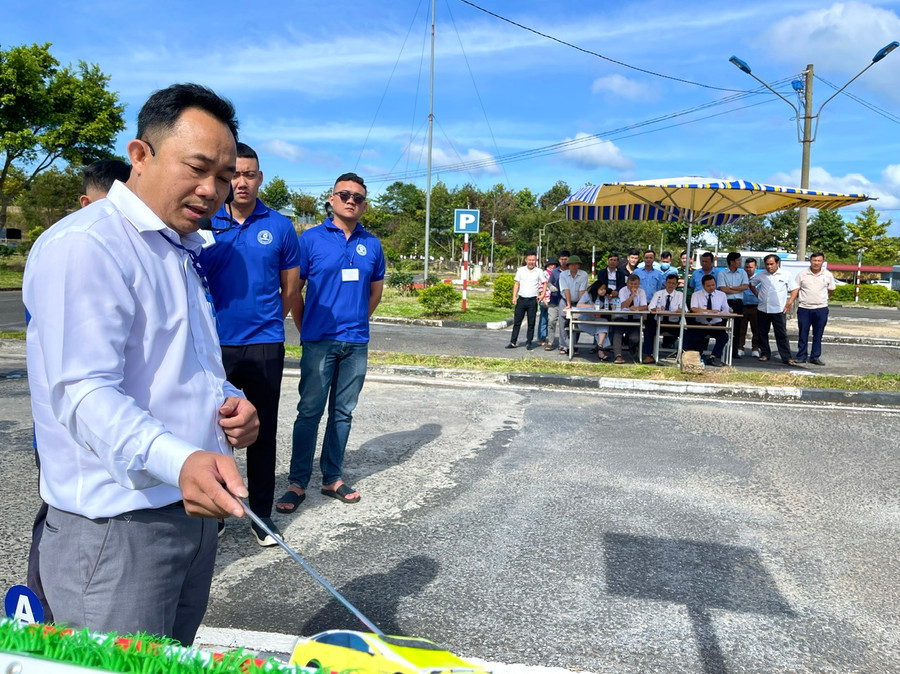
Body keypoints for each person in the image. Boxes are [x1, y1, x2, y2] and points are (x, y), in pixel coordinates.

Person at [23, 83, 259, 645]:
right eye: (197, 168)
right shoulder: (89, 245)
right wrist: (180, 460)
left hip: (189, 512)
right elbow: (83, 392)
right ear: (140, 154)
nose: (212, 190)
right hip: (115, 529)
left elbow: (185, 365)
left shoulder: (178, 247)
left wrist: (230, 403)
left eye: (224, 176)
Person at [26, 157, 133, 624]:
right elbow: (76, 380)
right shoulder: (73, 248)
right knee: (57, 519)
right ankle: (41, 611)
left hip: (119, 449)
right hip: (73, 442)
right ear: (87, 204)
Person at [198, 143, 301, 545]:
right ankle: (217, 508)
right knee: (212, 430)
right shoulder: (207, 222)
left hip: (264, 344)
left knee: (261, 432)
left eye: (250, 174)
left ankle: (262, 516)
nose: (241, 182)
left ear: (260, 178)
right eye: (235, 174)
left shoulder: (280, 226)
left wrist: (268, 319)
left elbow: (290, 287)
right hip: (213, 344)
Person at [279, 173, 385, 511]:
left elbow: (375, 292)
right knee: (309, 411)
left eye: (358, 197)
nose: (351, 200)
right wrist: (305, 325)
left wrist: (358, 321)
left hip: (356, 343)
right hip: (319, 340)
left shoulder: (372, 244)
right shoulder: (310, 239)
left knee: (343, 413)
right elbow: (294, 289)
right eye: (345, 194)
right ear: (332, 198)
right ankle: (297, 483)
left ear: (364, 204)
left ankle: (332, 478)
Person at [789, 252, 835, 365]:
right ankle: (801, 356)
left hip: (821, 308)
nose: (816, 263)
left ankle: (815, 356)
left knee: (818, 334)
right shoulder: (802, 274)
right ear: (810, 261)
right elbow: (796, 289)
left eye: (819, 261)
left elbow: (831, 290)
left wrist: (821, 299)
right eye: (814, 260)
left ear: (823, 262)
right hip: (804, 308)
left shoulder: (828, 275)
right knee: (803, 333)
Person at [750, 254, 797, 365]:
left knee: (781, 334)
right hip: (763, 309)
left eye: (771, 264)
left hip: (779, 310)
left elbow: (795, 289)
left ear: (777, 263)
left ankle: (786, 357)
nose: (769, 267)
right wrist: (758, 295)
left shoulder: (786, 274)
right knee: (762, 333)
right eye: (767, 264)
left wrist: (789, 302)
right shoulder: (761, 274)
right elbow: (752, 284)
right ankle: (765, 353)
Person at [686, 274, 730, 367]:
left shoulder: (721, 295)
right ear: (703, 285)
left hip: (716, 325)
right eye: (708, 286)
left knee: (724, 337)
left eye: (713, 285)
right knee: (695, 337)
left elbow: (726, 309)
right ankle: (699, 356)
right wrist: (709, 311)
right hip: (701, 324)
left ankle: (714, 357)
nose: (711, 287)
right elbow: (694, 308)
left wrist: (726, 311)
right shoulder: (696, 295)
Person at [643, 273, 683, 364]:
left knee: (686, 332)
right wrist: (657, 309)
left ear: (676, 285)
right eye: (669, 283)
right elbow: (651, 308)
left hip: (673, 323)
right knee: (648, 330)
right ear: (665, 283)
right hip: (659, 321)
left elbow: (684, 310)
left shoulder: (680, 295)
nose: (671, 285)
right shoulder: (658, 294)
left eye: (673, 283)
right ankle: (649, 355)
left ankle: (681, 355)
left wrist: (677, 311)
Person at [716, 252, 749, 359]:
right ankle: (718, 350)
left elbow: (745, 286)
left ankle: (734, 351)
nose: (740, 262)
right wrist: (737, 288)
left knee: (737, 328)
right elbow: (723, 289)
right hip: (725, 302)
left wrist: (730, 287)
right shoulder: (722, 273)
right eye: (738, 260)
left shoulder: (743, 273)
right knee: (722, 327)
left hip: (738, 302)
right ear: (731, 262)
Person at [507, 251, 543, 349]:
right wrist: (514, 296)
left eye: (533, 260)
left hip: (532, 300)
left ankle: (529, 342)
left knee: (531, 323)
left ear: (536, 261)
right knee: (517, 322)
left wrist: (542, 295)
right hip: (521, 300)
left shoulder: (539, 271)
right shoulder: (520, 270)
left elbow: (544, 283)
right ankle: (513, 342)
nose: (531, 262)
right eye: (529, 260)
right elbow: (516, 284)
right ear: (526, 260)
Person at [611, 274, 647, 364]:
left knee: (634, 338)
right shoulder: (623, 290)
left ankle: (631, 344)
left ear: (639, 284)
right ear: (627, 283)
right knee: (617, 333)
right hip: (622, 317)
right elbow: (623, 305)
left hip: (635, 318)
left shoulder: (641, 291)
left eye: (636, 284)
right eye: (631, 284)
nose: (633, 286)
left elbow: (644, 306)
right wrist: (632, 296)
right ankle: (618, 356)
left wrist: (637, 308)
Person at [558, 254, 588, 354]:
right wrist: (568, 304)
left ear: (579, 265)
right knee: (563, 323)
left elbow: (582, 291)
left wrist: (580, 304)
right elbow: (566, 289)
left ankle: (574, 346)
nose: (574, 266)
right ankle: (564, 346)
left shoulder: (583, 274)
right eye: (571, 264)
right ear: (568, 265)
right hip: (565, 300)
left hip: (578, 301)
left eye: (576, 264)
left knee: (576, 323)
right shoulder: (563, 275)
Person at [575, 279, 611, 361]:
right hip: (584, 320)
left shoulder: (604, 298)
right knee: (601, 329)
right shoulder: (587, 295)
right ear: (596, 289)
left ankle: (600, 346)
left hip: (594, 320)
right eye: (601, 289)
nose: (604, 291)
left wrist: (610, 300)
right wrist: (592, 306)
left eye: (604, 289)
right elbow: (579, 305)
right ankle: (601, 351)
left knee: (604, 322)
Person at [544, 250, 569, 351]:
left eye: (565, 259)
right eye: (561, 259)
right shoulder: (555, 271)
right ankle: (550, 341)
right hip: (554, 300)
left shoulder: (570, 271)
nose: (563, 261)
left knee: (564, 324)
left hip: (566, 301)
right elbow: (549, 283)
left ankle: (563, 344)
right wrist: (551, 287)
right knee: (551, 321)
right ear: (559, 260)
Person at [738, 257, 761, 358]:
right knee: (741, 329)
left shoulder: (759, 279)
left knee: (756, 329)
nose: (749, 269)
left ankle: (755, 348)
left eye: (751, 267)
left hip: (756, 306)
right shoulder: (741, 277)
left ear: (755, 267)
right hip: (743, 306)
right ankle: (740, 348)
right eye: (747, 267)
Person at [537, 257, 558, 347]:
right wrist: (544, 299)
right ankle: (541, 338)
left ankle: (548, 337)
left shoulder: (556, 273)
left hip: (554, 299)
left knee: (551, 320)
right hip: (545, 299)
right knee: (544, 319)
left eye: (554, 264)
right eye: (550, 265)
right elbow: (541, 287)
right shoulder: (544, 274)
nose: (552, 266)